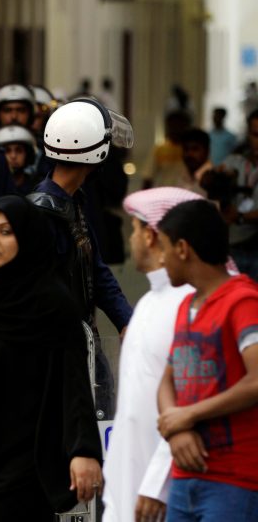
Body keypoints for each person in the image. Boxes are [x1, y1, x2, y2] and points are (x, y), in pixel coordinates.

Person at [0, 195, 102, 521]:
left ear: (27, 237)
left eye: (5, 231)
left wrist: (83, 450)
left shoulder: (53, 304)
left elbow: (73, 382)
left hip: (31, 452)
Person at [28, 98, 134, 419]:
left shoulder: (74, 202)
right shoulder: (41, 213)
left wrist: (126, 319)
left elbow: (96, 270)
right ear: (95, 155)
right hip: (53, 351)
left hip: (84, 340)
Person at [101, 187, 201, 522]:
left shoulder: (190, 305)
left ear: (152, 235)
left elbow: (188, 401)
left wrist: (157, 484)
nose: (130, 238)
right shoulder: (147, 304)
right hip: (125, 487)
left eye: (134, 229)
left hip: (163, 493)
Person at [156, 199, 258, 521]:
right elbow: (168, 379)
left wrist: (188, 416)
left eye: (164, 248)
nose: (161, 259)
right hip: (185, 477)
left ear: (183, 248)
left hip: (233, 480)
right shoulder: (186, 305)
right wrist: (176, 428)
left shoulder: (243, 301)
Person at [217, 109, 258, 281]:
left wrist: (240, 216)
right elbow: (210, 182)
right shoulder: (235, 162)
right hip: (234, 248)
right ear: (248, 135)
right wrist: (220, 180)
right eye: (256, 134)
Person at [0, 124, 39, 194]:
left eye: (19, 150)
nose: (13, 156)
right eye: (7, 151)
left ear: (28, 155)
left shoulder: (37, 188)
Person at [179, 128, 213, 196]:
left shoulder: (214, 179)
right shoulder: (179, 175)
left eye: (195, 149)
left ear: (207, 151)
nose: (189, 154)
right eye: (186, 149)